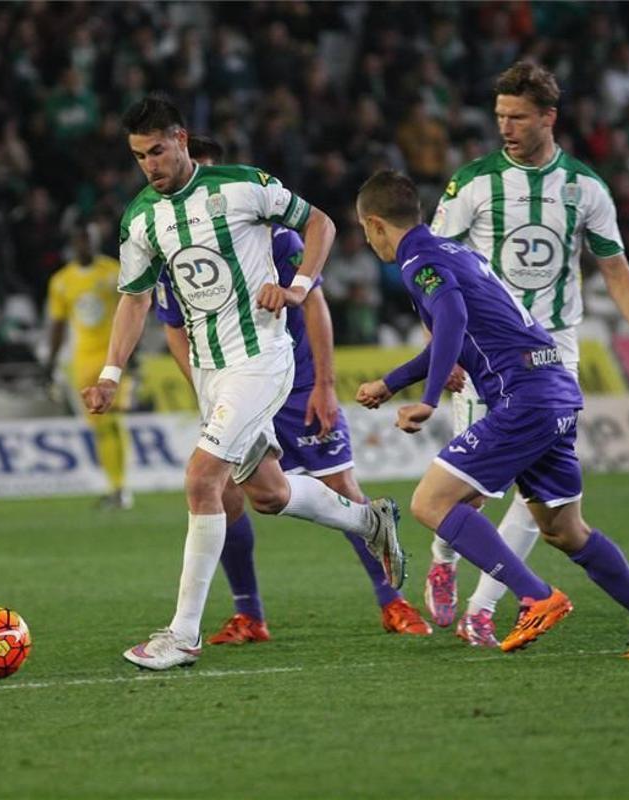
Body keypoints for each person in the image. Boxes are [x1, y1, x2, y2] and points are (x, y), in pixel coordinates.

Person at [81, 96, 403, 671]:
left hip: (260, 361)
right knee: (269, 494)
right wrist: (110, 373)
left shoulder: (242, 186)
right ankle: (367, 520)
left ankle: (182, 635)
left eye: (157, 151)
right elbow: (134, 300)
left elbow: (321, 223)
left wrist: (298, 288)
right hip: (211, 372)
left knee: (201, 480)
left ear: (181, 139)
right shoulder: (141, 218)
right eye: (139, 156)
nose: (150, 165)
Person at [354, 169, 629, 658]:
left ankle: (536, 596)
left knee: (431, 502)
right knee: (563, 530)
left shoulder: (419, 260)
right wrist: (390, 383)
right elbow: (460, 331)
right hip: (554, 389)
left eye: (364, 231)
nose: (368, 241)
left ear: (376, 224)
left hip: (523, 397)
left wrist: (428, 398)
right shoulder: (458, 253)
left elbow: (451, 318)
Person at [426, 62, 629, 647]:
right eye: (500, 116)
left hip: (555, 351)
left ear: (548, 118)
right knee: (470, 492)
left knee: (538, 494)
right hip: (487, 349)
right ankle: (442, 558)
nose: (505, 127)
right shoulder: (474, 184)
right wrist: (441, 346)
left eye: (518, 117)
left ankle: (484, 608)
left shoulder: (585, 188)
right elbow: (433, 269)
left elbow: (613, 266)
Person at [153, 135, 429, 644]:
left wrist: (324, 385)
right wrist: (210, 393)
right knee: (227, 495)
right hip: (233, 387)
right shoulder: (172, 247)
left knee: (340, 486)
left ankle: (394, 602)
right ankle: (249, 614)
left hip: (294, 382)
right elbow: (173, 327)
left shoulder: (273, 237)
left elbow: (314, 304)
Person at [47, 229, 132, 510]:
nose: (84, 245)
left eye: (89, 240)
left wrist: (133, 352)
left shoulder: (113, 271)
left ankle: (121, 487)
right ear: (72, 244)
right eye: (80, 240)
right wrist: (50, 362)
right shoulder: (61, 281)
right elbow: (58, 324)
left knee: (114, 421)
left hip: (113, 358)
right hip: (82, 361)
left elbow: (133, 310)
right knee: (100, 426)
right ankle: (115, 486)